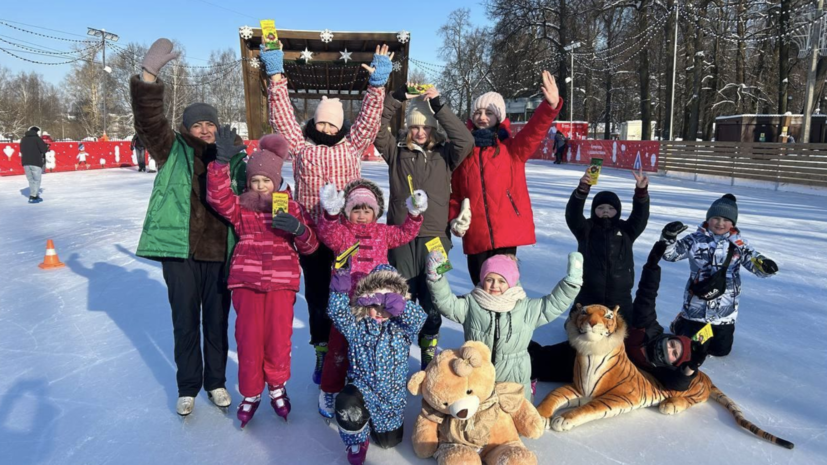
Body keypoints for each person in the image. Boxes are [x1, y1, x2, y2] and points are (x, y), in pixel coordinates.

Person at [260, 41, 391, 384]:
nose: (328, 129)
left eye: (333, 125)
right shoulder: (301, 147)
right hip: (313, 236)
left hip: (348, 236)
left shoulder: (353, 145)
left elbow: (367, 120)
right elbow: (282, 116)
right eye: (323, 124)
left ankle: (351, 349)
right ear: (315, 124)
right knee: (319, 295)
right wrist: (276, 75)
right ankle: (322, 350)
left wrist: (377, 86)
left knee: (353, 293)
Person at [131, 38, 249, 416]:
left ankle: (215, 382)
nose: (204, 129)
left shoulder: (231, 156)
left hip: (220, 252)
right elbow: (150, 121)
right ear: (186, 129)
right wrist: (148, 78)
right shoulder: (171, 149)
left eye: (209, 123)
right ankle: (188, 385)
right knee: (185, 321)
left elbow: (257, 190)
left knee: (216, 323)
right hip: (178, 252)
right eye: (196, 124)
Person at [206, 133, 318, 427]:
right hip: (246, 282)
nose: (260, 187)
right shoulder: (241, 206)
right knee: (248, 340)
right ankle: (251, 393)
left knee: (279, 340)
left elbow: (311, 246)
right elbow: (217, 197)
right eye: (255, 181)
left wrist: (298, 229)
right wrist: (220, 164)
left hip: (282, 283)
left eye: (266, 181)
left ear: (277, 181)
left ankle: (277, 387)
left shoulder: (291, 207)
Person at [374, 82, 474, 370]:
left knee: (435, 294)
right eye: (414, 127)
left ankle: (429, 344)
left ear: (432, 129)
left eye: (425, 127)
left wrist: (439, 106)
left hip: (436, 238)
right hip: (401, 237)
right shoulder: (396, 152)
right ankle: (399, 344)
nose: (419, 132)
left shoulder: (445, 155)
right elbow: (377, 131)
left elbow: (465, 140)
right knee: (402, 293)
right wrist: (394, 99)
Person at [315, 178, 425, 420]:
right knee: (339, 347)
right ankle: (330, 388)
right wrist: (331, 214)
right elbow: (327, 233)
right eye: (356, 210)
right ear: (348, 212)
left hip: (376, 306)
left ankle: (365, 385)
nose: (362, 215)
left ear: (376, 213)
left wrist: (414, 214)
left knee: (370, 348)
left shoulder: (383, 233)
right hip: (346, 304)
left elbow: (406, 233)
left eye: (367, 210)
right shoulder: (342, 233)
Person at [528, 167, 649, 383]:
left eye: (610, 208)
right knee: (581, 336)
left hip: (620, 298)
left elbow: (640, 217)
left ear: (617, 212)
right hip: (588, 294)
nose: (605, 211)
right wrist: (582, 190)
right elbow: (572, 215)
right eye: (600, 207)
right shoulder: (586, 229)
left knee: (624, 338)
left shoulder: (627, 230)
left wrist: (641, 193)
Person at [449, 70, 562, 285]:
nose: (482, 117)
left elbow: (534, 132)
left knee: (504, 288)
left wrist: (549, 107)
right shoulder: (463, 151)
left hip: (506, 232)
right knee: (480, 288)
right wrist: (455, 217)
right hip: (476, 233)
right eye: (478, 112)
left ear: (499, 117)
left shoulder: (512, 149)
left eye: (488, 112)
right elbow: (454, 192)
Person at [425, 251, 583, 399]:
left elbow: (553, 304)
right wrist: (436, 280)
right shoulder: (472, 304)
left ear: (512, 282)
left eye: (502, 281)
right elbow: (447, 304)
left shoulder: (525, 308)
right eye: (489, 279)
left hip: (514, 376)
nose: (495, 285)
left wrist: (571, 283)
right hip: (478, 372)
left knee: (512, 420)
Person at [327, 265, 426, 465]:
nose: (380, 312)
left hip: (391, 400)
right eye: (375, 305)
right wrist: (339, 290)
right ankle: (357, 441)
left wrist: (395, 302)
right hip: (362, 390)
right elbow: (337, 313)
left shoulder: (402, 329)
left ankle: (376, 424)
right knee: (347, 404)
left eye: (386, 306)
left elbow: (419, 319)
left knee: (388, 443)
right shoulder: (357, 326)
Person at [661, 194, 778, 356]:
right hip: (697, 306)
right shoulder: (695, 240)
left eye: (726, 220)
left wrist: (765, 266)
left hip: (725, 309)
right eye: (716, 218)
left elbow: (753, 261)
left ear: (733, 223)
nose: (720, 223)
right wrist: (669, 237)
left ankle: (708, 333)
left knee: (719, 351)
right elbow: (670, 255)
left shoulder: (739, 244)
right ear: (708, 218)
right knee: (691, 349)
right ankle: (680, 324)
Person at [626, 240, 710, 391]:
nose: (668, 349)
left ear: (674, 363)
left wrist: (691, 367)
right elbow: (646, 296)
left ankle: (689, 326)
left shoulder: (662, 369)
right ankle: (681, 324)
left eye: (674, 353)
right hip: (617, 327)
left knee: (718, 344)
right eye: (672, 344)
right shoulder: (646, 328)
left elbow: (677, 385)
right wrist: (652, 266)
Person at [20, 126, 48, 203]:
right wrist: (46, 146)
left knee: (31, 180)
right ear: (37, 132)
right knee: (37, 180)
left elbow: (21, 149)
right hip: (35, 162)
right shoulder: (37, 139)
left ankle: (33, 194)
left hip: (26, 162)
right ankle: (33, 196)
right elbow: (44, 150)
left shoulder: (23, 139)